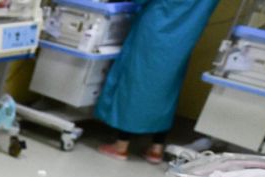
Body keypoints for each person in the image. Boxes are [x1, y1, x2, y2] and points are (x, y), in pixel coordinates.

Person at [94, 0, 220, 163]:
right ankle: (156, 148)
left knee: (137, 80)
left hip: (156, 26)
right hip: (185, 35)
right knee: (167, 87)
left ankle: (121, 145)